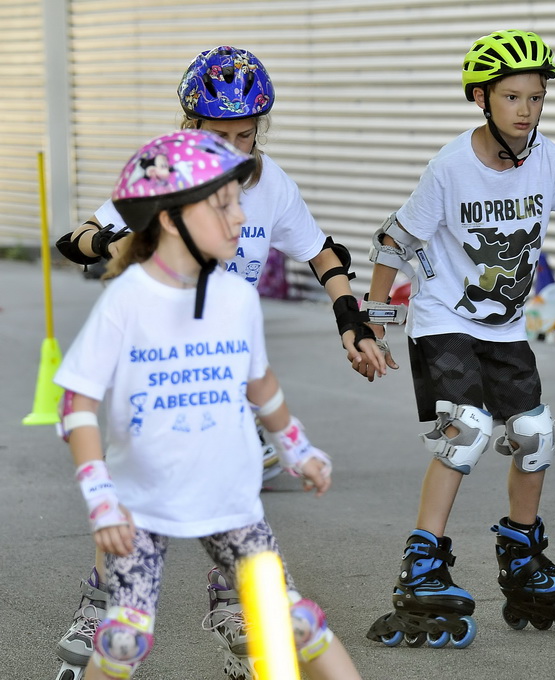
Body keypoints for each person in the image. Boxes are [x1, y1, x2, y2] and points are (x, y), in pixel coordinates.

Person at [51, 46, 383, 680]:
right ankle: (105, 603)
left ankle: (238, 608)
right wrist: (122, 240)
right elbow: (76, 241)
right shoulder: (164, 184)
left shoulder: (241, 280)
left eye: (246, 138)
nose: (234, 160)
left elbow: (320, 256)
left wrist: (350, 325)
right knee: (138, 523)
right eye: (220, 138)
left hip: (221, 379)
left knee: (271, 574)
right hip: (153, 383)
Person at [358, 29, 555, 648]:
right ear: (481, 99)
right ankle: (423, 564)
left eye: (536, 97)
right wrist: (376, 323)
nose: (526, 110)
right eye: (512, 97)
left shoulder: (549, 159)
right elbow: (395, 241)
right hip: (445, 319)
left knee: (535, 433)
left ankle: (522, 558)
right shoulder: (450, 167)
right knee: (466, 428)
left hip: (505, 326)